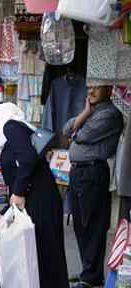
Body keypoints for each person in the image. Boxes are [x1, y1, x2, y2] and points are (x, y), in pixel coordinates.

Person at [0, 103, 69, 288]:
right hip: (40, 198)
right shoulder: (20, 128)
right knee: (45, 255)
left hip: (38, 200)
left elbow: (27, 158)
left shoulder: (10, 126)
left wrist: (18, 193)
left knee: (43, 254)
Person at [63, 86, 124, 288]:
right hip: (79, 172)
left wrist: (77, 127)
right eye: (89, 87)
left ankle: (91, 277)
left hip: (92, 172)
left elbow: (81, 136)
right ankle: (88, 273)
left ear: (108, 89)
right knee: (80, 224)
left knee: (92, 224)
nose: (91, 91)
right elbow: (66, 129)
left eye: (97, 87)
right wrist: (85, 113)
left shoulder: (110, 114)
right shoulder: (92, 111)